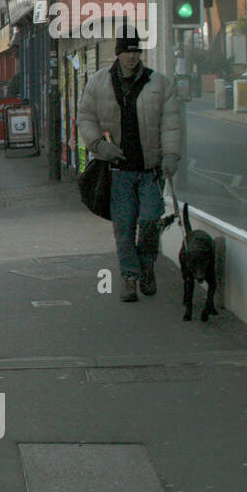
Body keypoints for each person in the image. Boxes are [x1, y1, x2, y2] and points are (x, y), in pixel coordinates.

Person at [77, 24, 181, 303]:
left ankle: (146, 265)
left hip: (150, 172)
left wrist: (171, 155)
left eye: (136, 51)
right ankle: (130, 278)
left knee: (149, 223)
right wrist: (100, 145)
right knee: (124, 229)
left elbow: (171, 124)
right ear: (118, 53)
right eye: (126, 51)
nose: (132, 57)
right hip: (118, 172)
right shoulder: (99, 82)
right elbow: (85, 117)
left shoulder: (159, 83)